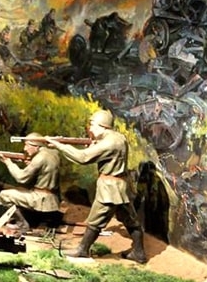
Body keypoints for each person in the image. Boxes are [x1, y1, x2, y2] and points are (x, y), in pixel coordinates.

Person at [47, 110, 147, 263]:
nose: (90, 128)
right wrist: (94, 144)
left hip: (110, 189)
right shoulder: (117, 137)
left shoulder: (109, 142)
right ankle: (138, 253)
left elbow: (83, 157)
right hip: (121, 187)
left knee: (95, 220)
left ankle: (83, 249)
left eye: (93, 124)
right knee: (130, 220)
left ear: (103, 126)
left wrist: (59, 145)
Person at [0, 133, 61, 234]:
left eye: (27, 145)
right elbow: (45, 170)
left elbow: (21, 178)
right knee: (19, 190)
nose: (25, 149)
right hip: (53, 198)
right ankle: (31, 219)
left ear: (36, 146)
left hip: (40, 199)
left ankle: (22, 225)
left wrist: (9, 163)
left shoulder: (39, 158)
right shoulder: (54, 153)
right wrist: (30, 163)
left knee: (5, 195)